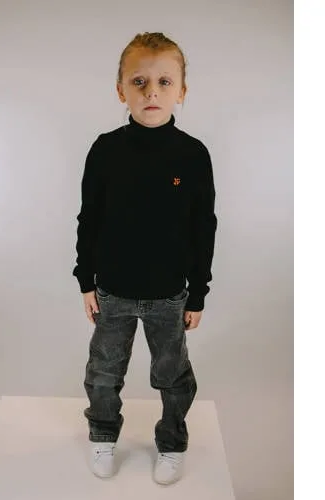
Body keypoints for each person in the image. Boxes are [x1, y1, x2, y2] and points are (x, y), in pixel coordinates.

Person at [72, 31, 218, 485]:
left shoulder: (193, 155)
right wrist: (85, 280)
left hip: (169, 296)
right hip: (112, 293)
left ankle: (171, 442)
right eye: (139, 82)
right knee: (103, 373)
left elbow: (203, 228)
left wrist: (198, 293)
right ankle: (102, 434)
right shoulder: (105, 150)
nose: (151, 92)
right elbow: (89, 218)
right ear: (121, 90)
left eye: (163, 82)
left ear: (181, 91)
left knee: (173, 376)